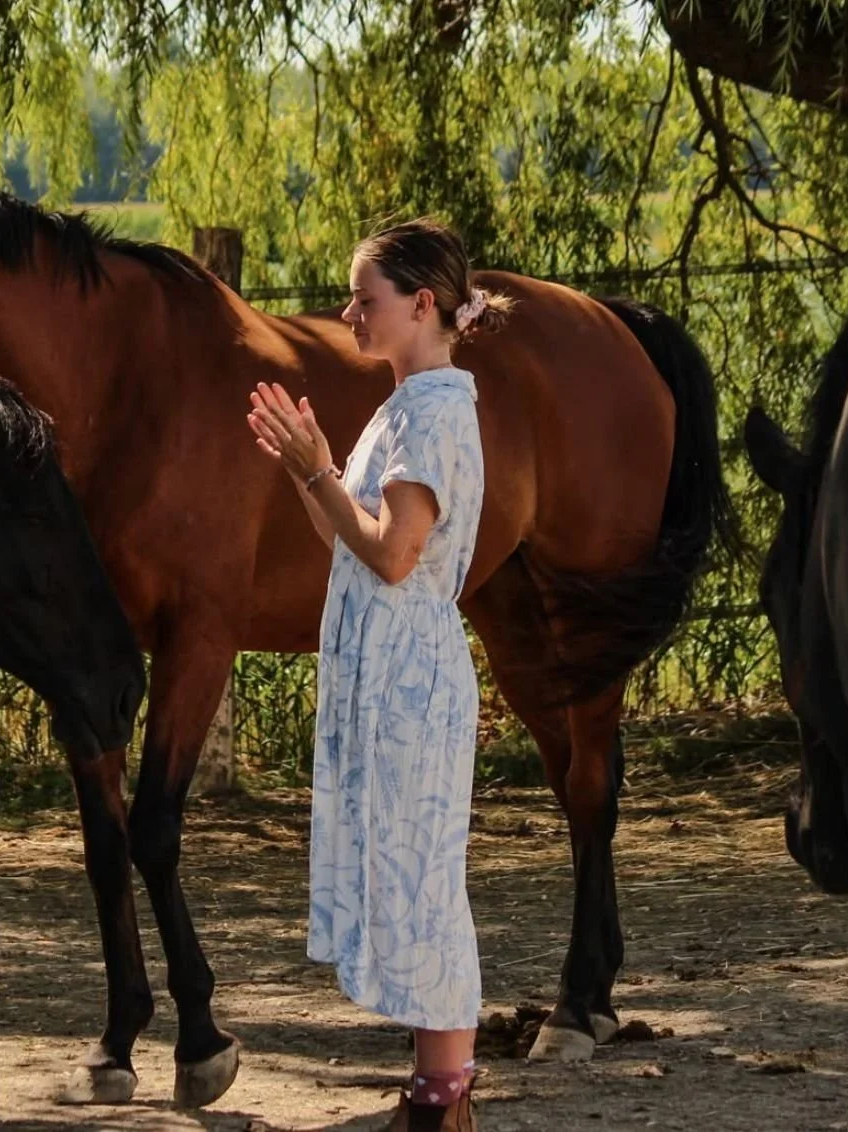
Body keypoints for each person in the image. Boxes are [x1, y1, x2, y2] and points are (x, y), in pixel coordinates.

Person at [247, 219, 510, 1132]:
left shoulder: (436, 411)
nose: (351, 312)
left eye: (368, 297)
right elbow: (344, 540)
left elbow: (396, 556)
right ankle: (435, 1092)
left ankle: (445, 1099)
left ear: (423, 303)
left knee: (424, 876)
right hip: (382, 665)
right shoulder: (402, 407)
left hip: (409, 673)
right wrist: (306, 469)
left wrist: (318, 465)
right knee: (403, 867)